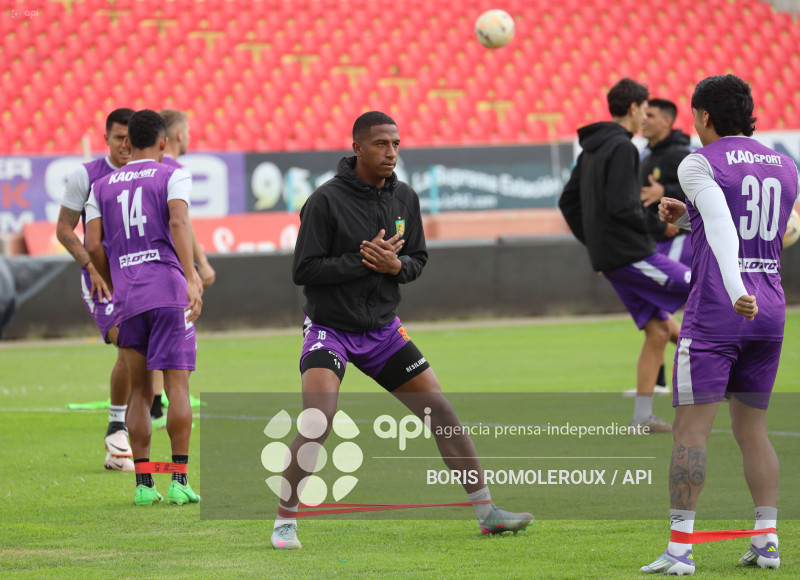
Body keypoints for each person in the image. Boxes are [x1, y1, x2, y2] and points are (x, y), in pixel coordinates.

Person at [270, 111, 533, 550]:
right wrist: (363, 260)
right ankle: (284, 522)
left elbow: (418, 260)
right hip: (330, 329)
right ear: (357, 148)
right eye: (381, 144)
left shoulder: (405, 198)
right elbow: (304, 269)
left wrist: (395, 266)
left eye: (395, 143)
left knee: (441, 413)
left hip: (383, 330)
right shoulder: (325, 201)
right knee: (318, 420)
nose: (391, 152)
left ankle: (488, 513)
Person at [642, 74, 797, 575]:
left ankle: (680, 550)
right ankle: (767, 541)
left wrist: (734, 291)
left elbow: (727, 229)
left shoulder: (698, 162)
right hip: (770, 309)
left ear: (704, 116)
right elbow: (761, 229)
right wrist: (688, 217)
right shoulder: (785, 164)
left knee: (690, 432)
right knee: (753, 430)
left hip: (720, 310)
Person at [84, 109, 203, 506]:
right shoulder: (171, 174)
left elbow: (92, 244)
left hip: (129, 296)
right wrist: (191, 277)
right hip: (168, 291)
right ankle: (179, 480)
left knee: (139, 390)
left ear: (128, 142)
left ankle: (144, 485)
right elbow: (179, 223)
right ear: (164, 142)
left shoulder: (100, 186)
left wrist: (114, 279)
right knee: (177, 385)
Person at [558, 79, 691, 433]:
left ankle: (642, 418)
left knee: (659, 330)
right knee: (704, 286)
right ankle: (728, 376)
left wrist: (595, 245)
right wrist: (658, 227)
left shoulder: (591, 149)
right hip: (631, 254)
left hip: (612, 257)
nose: (645, 117)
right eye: (644, 109)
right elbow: (622, 207)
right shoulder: (622, 147)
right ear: (633, 108)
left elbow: (567, 202)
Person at [56, 108, 136, 472]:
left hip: (137, 277)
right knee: (129, 342)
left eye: (131, 138)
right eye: (119, 137)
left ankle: (122, 444)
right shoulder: (86, 176)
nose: (125, 144)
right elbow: (64, 229)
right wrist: (92, 268)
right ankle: (117, 428)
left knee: (141, 349)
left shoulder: (146, 173)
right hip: (100, 282)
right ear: (106, 138)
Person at [144, 109, 216, 428]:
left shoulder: (144, 170)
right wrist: (199, 266)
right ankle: (168, 408)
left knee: (147, 341)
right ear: (176, 135)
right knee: (177, 345)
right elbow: (181, 222)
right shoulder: (174, 171)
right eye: (186, 131)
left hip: (139, 271)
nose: (188, 137)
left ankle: (154, 405)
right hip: (171, 270)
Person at [622, 99, 694, 398]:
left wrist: (667, 191)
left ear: (667, 120)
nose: (644, 120)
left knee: (665, 309)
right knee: (657, 313)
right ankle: (661, 381)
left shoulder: (681, 155)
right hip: (654, 241)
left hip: (678, 239)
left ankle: (708, 368)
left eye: (650, 115)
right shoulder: (647, 155)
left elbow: (704, 192)